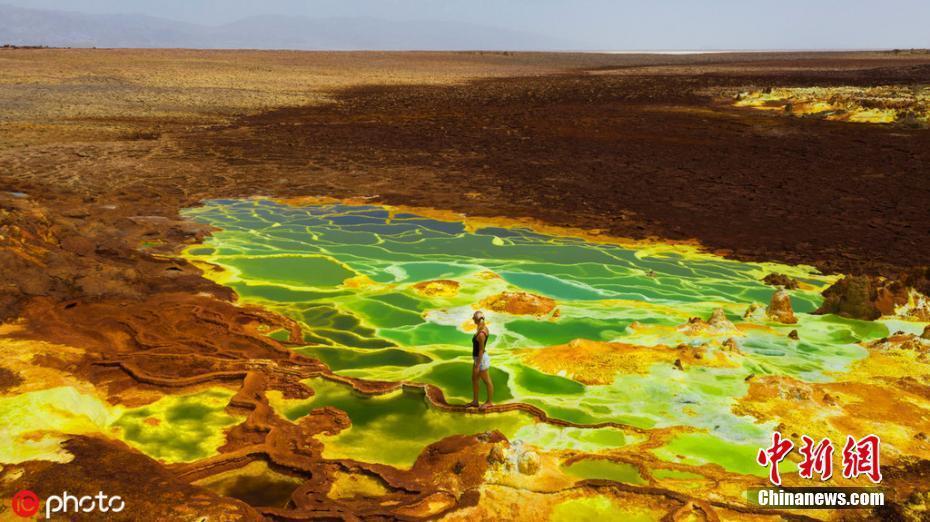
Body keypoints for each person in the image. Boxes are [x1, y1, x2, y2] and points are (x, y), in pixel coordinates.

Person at [466, 310, 494, 409]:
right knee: (474, 379)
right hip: (477, 359)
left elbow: (481, 350)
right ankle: (475, 401)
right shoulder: (481, 328)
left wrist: (477, 365)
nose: (472, 319)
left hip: (481, 360)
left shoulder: (481, 333)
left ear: (477, 319)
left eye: (474, 317)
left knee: (487, 381)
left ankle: (489, 402)